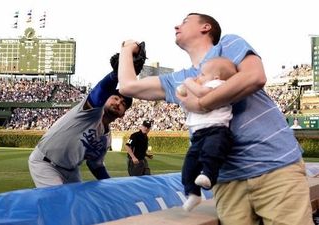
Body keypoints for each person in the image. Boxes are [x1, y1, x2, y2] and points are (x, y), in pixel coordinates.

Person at [117, 13, 313, 225]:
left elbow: (254, 77)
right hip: (226, 180)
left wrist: (201, 103)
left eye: (184, 21)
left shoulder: (228, 45)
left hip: (275, 167)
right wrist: (127, 48)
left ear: (206, 27)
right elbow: (127, 86)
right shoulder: (179, 79)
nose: (176, 25)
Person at [28, 52, 143, 187]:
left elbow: (96, 165)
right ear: (106, 98)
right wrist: (116, 74)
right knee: (60, 202)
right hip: (45, 163)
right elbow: (100, 91)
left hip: (71, 170)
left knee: (79, 205)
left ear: (123, 114)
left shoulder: (106, 140)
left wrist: (112, 186)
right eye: (115, 98)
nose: (118, 103)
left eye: (123, 103)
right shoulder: (91, 112)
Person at [177, 57, 237, 211]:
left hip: (216, 130)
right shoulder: (207, 84)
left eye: (203, 74)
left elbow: (202, 92)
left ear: (216, 77)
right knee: (189, 165)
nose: (199, 77)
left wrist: (189, 82)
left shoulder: (219, 85)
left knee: (211, 153)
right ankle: (193, 193)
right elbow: (189, 100)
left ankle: (209, 175)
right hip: (199, 134)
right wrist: (184, 91)